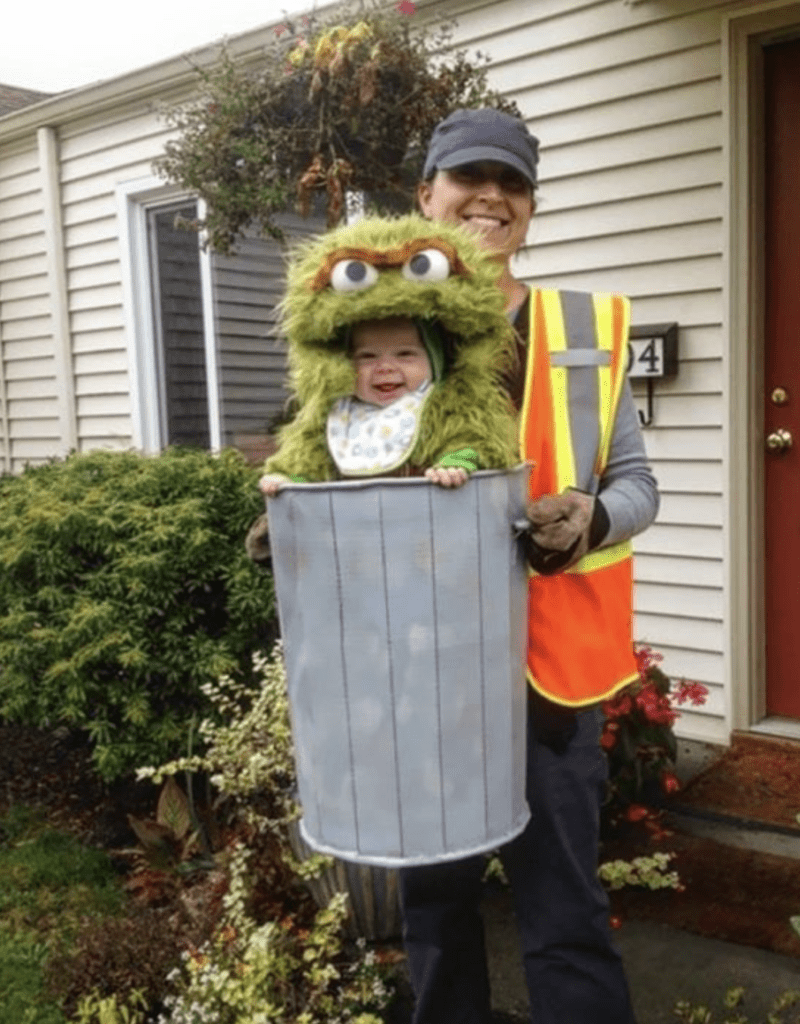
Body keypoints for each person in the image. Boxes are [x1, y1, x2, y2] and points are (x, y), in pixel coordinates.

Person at [398, 107, 659, 1024]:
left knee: (566, 911)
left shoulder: (583, 328)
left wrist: (592, 515)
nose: (491, 199)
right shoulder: (376, 333)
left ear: (530, 209)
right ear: (425, 195)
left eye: (512, 184)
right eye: (469, 178)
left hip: (551, 687)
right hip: (422, 681)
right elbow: (324, 461)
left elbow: (638, 485)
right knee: (433, 912)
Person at [253, 212, 519, 500]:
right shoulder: (337, 412)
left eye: (405, 355)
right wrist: (288, 475)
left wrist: (458, 462)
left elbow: (473, 437)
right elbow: (305, 451)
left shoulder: (445, 404)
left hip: (432, 526)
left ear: (437, 362)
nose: (385, 368)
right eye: (367, 357)